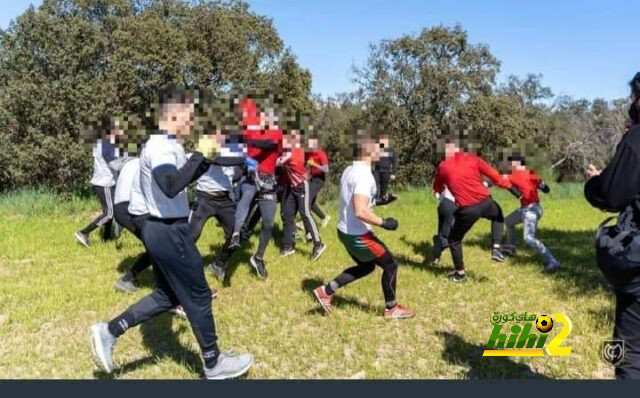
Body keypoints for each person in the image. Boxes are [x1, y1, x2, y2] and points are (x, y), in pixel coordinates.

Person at [89, 88, 253, 379]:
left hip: (160, 229)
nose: (192, 122)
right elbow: (170, 184)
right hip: (169, 230)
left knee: (169, 294)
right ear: (174, 114)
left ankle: (109, 331)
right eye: (189, 116)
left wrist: (208, 151)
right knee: (200, 295)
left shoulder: (164, 144)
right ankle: (213, 363)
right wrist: (203, 150)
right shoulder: (163, 147)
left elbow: (187, 174)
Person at [313, 132, 415, 319]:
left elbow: (356, 201)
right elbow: (360, 210)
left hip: (344, 231)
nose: (382, 152)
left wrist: (382, 202)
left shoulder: (350, 169)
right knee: (391, 265)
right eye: (379, 148)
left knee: (367, 266)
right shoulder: (363, 177)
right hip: (358, 235)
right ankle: (391, 309)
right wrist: (385, 223)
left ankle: (326, 291)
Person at [585, 72, 640, 379]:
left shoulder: (637, 138)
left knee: (630, 352)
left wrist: (595, 182)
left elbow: (611, 194)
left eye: (633, 97)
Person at [432, 139, 521, 283]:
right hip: (486, 202)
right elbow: (495, 177)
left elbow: (437, 188)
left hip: (468, 210)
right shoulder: (472, 158)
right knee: (498, 215)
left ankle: (459, 274)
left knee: (454, 240)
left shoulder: (442, 167)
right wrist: (512, 190)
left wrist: (446, 194)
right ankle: (496, 248)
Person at [229, 100, 283, 279]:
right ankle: (236, 234)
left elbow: (266, 145)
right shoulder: (250, 129)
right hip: (251, 176)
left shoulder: (275, 132)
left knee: (268, 223)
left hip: (268, 181)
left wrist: (246, 140)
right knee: (246, 196)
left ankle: (258, 257)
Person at [189, 130, 247, 283]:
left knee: (237, 234)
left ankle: (219, 264)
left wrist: (242, 166)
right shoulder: (206, 140)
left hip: (225, 199)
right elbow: (215, 159)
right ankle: (178, 268)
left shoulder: (235, 145)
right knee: (191, 236)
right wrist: (241, 159)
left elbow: (240, 169)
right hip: (204, 198)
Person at [502, 155, 560, 271]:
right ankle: (511, 247)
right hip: (532, 208)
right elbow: (546, 188)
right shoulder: (531, 173)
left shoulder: (513, 174)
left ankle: (553, 261)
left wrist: (485, 184)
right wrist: (540, 185)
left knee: (528, 238)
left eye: (511, 163)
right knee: (508, 221)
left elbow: (497, 179)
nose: (509, 165)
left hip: (530, 211)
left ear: (517, 163)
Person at [75, 119, 127, 247]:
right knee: (110, 213)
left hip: (106, 182)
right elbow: (115, 166)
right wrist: (131, 160)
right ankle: (83, 233)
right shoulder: (106, 144)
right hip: (105, 183)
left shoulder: (105, 143)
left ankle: (107, 237)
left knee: (111, 210)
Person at [278, 131, 326, 260]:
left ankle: (318, 244)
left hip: (301, 187)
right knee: (287, 214)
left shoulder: (291, 153)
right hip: (292, 187)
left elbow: (277, 162)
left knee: (305, 213)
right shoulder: (294, 150)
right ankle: (288, 246)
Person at [112, 155, 153, 293]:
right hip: (129, 207)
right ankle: (127, 279)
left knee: (155, 245)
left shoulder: (129, 163)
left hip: (119, 207)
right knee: (158, 246)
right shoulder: (144, 164)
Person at [305, 137, 331, 227]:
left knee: (307, 199)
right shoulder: (308, 153)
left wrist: (315, 164)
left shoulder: (320, 153)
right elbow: (306, 165)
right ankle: (324, 217)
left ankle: (306, 222)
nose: (311, 145)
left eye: (313, 143)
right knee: (311, 202)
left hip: (319, 179)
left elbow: (326, 169)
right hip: (311, 178)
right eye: (309, 143)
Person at [432, 186, 457, 265]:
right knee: (448, 234)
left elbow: (435, 192)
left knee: (441, 230)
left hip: (442, 205)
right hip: (451, 205)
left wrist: (440, 198)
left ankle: (436, 257)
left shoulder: (444, 176)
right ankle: (439, 241)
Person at [373, 134, 398, 206]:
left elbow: (395, 162)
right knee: (375, 186)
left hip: (386, 172)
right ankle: (374, 201)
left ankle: (382, 201)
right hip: (376, 171)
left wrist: (393, 173)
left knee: (384, 188)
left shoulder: (391, 150)